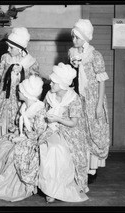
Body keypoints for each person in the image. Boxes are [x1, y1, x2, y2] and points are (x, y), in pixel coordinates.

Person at [0, 75, 47, 202]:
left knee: (12, 153)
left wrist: (22, 138)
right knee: (1, 143)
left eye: (20, 91)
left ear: (26, 94)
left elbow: (39, 132)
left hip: (33, 141)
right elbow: (19, 125)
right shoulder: (23, 106)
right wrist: (16, 133)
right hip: (22, 136)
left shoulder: (39, 110)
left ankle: (12, 188)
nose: (17, 92)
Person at [38, 63, 89, 203]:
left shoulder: (74, 98)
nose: (51, 84)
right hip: (51, 128)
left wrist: (58, 119)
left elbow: (74, 123)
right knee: (51, 148)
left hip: (70, 131)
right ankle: (50, 188)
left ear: (61, 84)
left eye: (54, 82)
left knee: (60, 150)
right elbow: (42, 112)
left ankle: (59, 188)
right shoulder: (49, 95)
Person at [0, 27, 39, 155]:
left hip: (19, 102)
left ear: (20, 49)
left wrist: (23, 72)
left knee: (14, 129)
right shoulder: (5, 57)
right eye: (8, 47)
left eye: (11, 47)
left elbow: (35, 86)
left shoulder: (31, 63)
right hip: (2, 99)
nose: (8, 50)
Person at [68, 19, 110, 183]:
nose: (74, 41)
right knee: (81, 131)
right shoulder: (72, 52)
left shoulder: (95, 55)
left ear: (85, 38)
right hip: (79, 97)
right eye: (73, 37)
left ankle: (92, 169)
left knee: (94, 132)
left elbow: (101, 82)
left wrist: (99, 104)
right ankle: (81, 167)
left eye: (77, 38)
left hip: (93, 98)